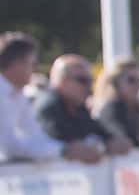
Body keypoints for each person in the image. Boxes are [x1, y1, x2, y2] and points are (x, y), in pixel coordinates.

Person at [1, 32, 104, 163]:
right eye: (32, 63)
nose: (34, 69)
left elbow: (35, 136)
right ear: (17, 63)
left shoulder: (17, 95)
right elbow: (10, 147)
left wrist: (65, 149)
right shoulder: (7, 95)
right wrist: (65, 150)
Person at [35, 55, 130, 155]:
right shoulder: (49, 107)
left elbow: (95, 129)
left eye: (90, 81)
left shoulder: (78, 107)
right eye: (82, 80)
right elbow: (58, 138)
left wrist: (112, 140)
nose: (89, 87)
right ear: (62, 81)